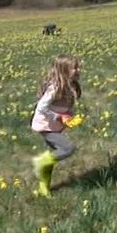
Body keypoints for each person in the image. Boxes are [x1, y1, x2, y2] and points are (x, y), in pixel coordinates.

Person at [31, 55, 81, 197]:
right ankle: (41, 161)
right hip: (45, 125)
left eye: (78, 67)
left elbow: (65, 106)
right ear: (64, 70)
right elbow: (41, 108)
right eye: (74, 68)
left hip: (54, 125)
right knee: (67, 148)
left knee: (52, 159)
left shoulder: (70, 85)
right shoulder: (55, 87)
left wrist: (69, 116)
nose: (79, 70)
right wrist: (59, 117)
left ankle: (43, 188)